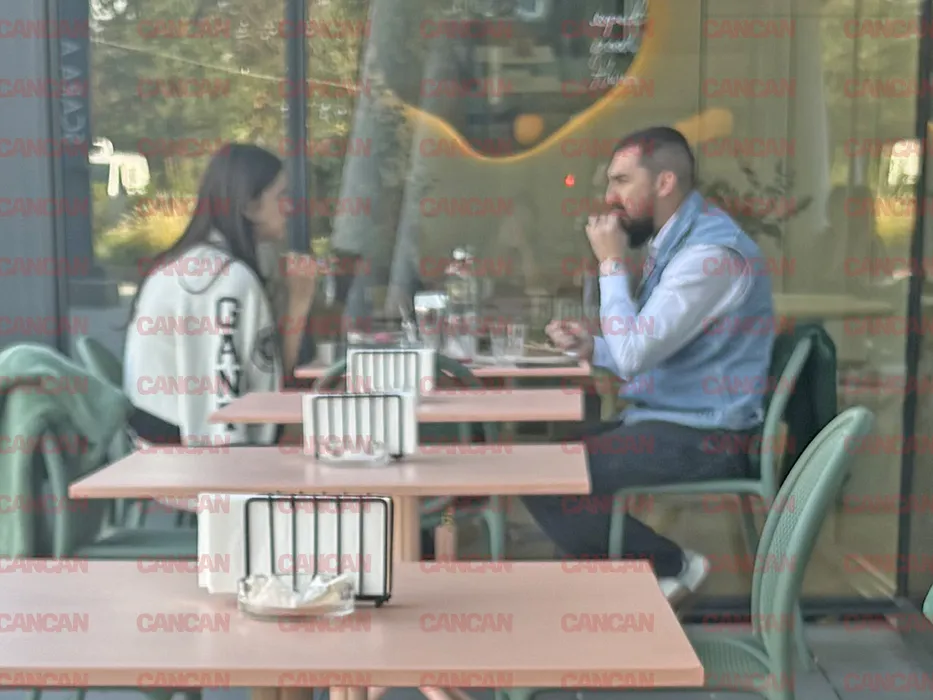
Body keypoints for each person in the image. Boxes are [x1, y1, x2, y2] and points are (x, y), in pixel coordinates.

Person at [523, 127, 775, 602]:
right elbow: (642, 350)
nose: (609, 197)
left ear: (664, 183)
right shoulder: (677, 243)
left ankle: (671, 566)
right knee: (540, 466)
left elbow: (635, 354)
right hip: (669, 421)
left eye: (621, 181)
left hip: (708, 438)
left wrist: (611, 265)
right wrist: (593, 348)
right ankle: (618, 592)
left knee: (548, 480)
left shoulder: (710, 256)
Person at [124, 143, 317, 447]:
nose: (290, 207)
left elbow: (266, 381)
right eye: (281, 196)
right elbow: (224, 422)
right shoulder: (222, 280)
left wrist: (298, 303)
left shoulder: (197, 266)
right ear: (249, 206)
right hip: (184, 463)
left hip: (161, 452)